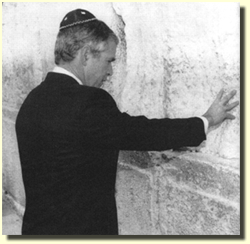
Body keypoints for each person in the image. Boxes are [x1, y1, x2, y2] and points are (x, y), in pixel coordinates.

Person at [15, 9, 239, 235]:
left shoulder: (33, 100)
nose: (110, 71)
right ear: (85, 55)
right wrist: (207, 120)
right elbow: (143, 132)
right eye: (108, 60)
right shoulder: (90, 101)